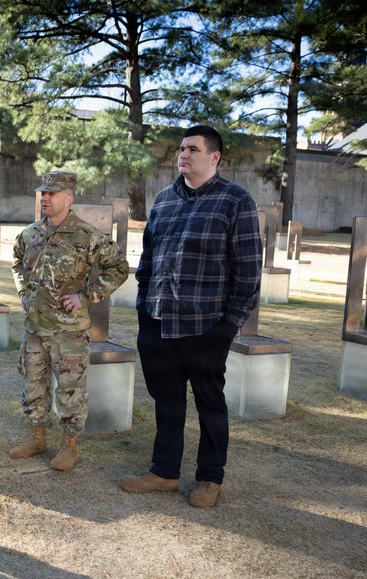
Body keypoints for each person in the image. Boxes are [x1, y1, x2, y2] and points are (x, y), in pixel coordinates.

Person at [120, 125, 261, 508]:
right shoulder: (165, 199)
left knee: (210, 405)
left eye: (193, 149)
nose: (183, 154)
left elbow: (248, 271)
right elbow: (148, 260)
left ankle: (209, 479)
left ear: (214, 157)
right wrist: (143, 310)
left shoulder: (235, 201)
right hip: (158, 324)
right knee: (167, 403)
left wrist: (227, 326)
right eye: (182, 148)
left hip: (205, 326)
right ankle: (164, 472)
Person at [9, 170, 128, 471]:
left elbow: (118, 268)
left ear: (69, 198)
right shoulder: (30, 234)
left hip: (68, 331)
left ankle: (69, 447)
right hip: (35, 327)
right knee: (33, 385)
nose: (45, 198)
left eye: (52, 193)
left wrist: (85, 296)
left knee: (70, 389)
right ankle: (37, 438)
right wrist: (23, 291)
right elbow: (17, 263)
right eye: (43, 193)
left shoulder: (87, 236)